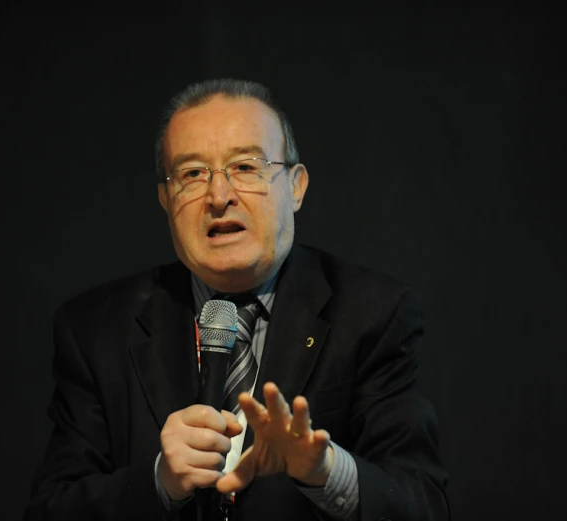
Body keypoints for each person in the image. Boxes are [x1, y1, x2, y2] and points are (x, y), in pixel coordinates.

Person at [25, 79, 449, 520]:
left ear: (296, 186)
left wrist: (327, 472)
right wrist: (158, 483)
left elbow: (424, 505)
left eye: (246, 167)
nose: (219, 196)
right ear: (166, 200)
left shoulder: (372, 314)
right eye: (191, 174)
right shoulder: (96, 330)